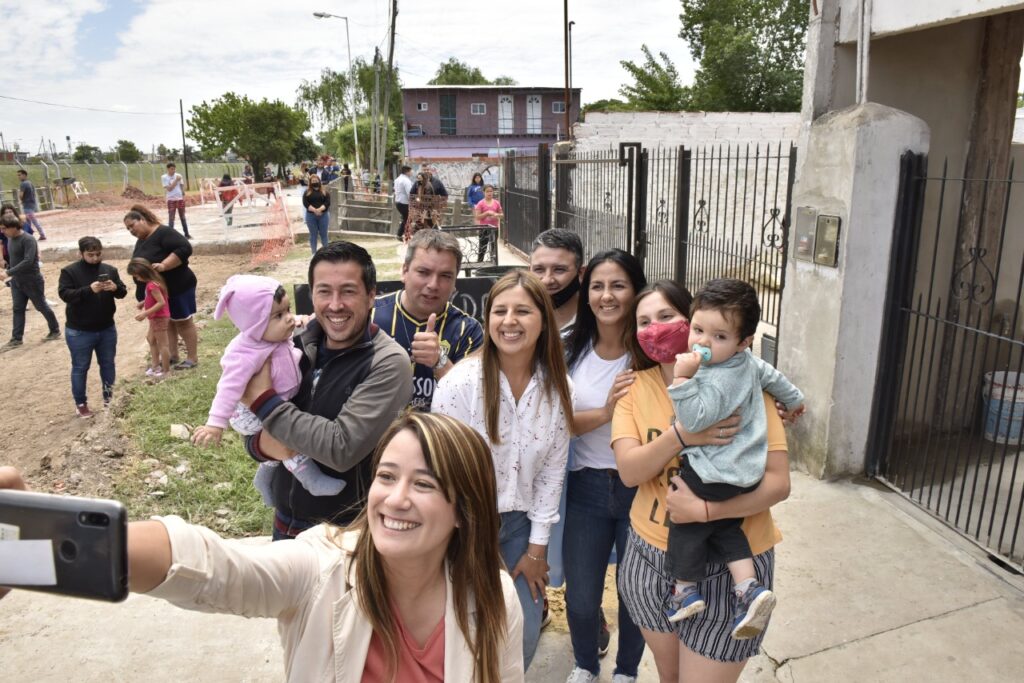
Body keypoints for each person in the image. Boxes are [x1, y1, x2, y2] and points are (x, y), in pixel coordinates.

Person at [0, 413, 526, 681]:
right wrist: (50, 543)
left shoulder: (494, 595)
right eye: (386, 476)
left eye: (426, 485)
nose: (397, 499)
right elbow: (213, 567)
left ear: (464, 511)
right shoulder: (321, 564)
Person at [612, 279, 792, 683]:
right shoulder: (633, 389)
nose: (655, 328)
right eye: (643, 321)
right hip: (650, 559)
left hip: (733, 567)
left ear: (687, 316)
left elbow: (778, 484)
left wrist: (707, 510)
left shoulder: (746, 387)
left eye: (665, 316)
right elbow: (629, 472)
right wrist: (683, 436)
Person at [432, 270, 574, 671]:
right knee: (462, 633)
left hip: (519, 528)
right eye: (500, 311)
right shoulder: (459, 385)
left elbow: (551, 474)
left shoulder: (560, 388)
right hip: (460, 526)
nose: (509, 321)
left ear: (543, 320)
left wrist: (537, 549)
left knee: (522, 631)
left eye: (523, 311)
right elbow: (440, 469)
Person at [663, 278, 804, 638]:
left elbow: (693, 421)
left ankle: (684, 590)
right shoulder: (749, 363)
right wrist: (795, 399)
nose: (703, 343)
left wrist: (681, 380)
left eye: (719, 336)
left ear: (743, 341)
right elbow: (774, 377)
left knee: (684, 521)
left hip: (713, 471)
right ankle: (748, 588)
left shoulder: (713, 379)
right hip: (744, 473)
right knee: (726, 527)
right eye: (698, 330)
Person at [243, 241, 412, 539]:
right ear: (312, 294)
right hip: (286, 519)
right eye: (324, 291)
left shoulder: (388, 362)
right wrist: (260, 446)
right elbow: (248, 423)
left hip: (346, 530)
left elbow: (340, 448)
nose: (335, 305)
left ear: (371, 295)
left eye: (348, 291)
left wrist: (265, 403)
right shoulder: (292, 343)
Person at [562, 249, 647, 683]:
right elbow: (556, 424)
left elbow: (722, 356)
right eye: (597, 286)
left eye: (618, 286)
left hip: (644, 489)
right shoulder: (568, 349)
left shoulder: (653, 348)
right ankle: (585, 664)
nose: (607, 296)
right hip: (586, 488)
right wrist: (608, 410)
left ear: (635, 291)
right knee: (580, 596)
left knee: (635, 593)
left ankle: (627, 671)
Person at [192, 274, 345, 505]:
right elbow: (227, 388)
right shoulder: (244, 354)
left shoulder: (271, 336)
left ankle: (264, 478)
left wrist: (306, 320)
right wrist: (215, 423)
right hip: (248, 412)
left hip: (274, 400)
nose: (288, 319)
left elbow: (294, 323)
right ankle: (310, 478)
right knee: (286, 434)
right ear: (255, 323)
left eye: (288, 310)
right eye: (278, 315)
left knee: (281, 430)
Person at [372, 229, 483, 411]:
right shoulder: (369, 316)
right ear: (405, 271)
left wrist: (440, 361)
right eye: (423, 272)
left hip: (439, 436)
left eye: (445, 276)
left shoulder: (468, 332)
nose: (433, 285)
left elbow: (472, 404)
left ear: (455, 280)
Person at [57, 236, 128, 418]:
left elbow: (122, 292)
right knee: (80, 368)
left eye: (98, 254)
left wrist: (114, 288)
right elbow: (65, 295)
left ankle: (109, 399)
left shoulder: (109, 270)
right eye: (90, 255)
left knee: (107, 364)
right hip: (79, 331)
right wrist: (89, 290)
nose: (95, 258)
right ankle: (81, 404)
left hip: (106, 328)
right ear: (80, 253)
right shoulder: (69, 271)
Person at [124, 204, 199, 370]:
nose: (130, 230)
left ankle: (192, 358)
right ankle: (172, 355)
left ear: (142, 220)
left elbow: (184, 248)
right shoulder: (141, 241)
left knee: (183, 322)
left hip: (179, 286)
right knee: (168, 323)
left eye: (132, 225)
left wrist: (164, 266)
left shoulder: (163, 232)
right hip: (161, 291)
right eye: (127, 228)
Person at [1, 215, 60, 351]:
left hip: (31, 280)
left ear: (14, 227)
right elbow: (15, 259)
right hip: (17, 281)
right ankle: (16, 338)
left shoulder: (28, 239)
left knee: (41, 306)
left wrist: (8, 273)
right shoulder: (10, 239)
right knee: (18, 309)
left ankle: (55, 329)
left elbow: (28, 261)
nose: (2, 231)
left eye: (4, 228)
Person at [530, 228, 585, 334]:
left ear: (581, 273)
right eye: (539, 270)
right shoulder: (515, 317)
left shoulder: (598, 323)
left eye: (559, 270)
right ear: (529, 270)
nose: (547, 280)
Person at [126, 258, 171, 378]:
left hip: (159, 317)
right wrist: (143, 302)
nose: (136, 278)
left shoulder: (152, 285)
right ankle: (155, 365)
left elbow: (161, 302)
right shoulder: (153, 282)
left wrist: (144, 313)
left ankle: (166, 371)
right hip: (155, 317)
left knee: (163, 344)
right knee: (150, 339)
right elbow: (154, 298)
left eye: (136, 275)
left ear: (142, 273)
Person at [473, 184, 503, 263]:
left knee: (493, 247)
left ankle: (494, 264)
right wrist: (487, 213)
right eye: (487, 191)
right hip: (484, 229)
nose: (489, 193)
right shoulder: (480, 203)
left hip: (494, 228)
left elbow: (502, 215)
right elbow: (477, 217)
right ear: (484, 192)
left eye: (491, 191)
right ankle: (479, 263)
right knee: (482, 248)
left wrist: (497, 215)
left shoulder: (496, 203)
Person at [160, 163, 191, 239]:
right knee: (171, 218)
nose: (173, 170)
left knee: (182, 217)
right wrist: (176, 180)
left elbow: (181, 186)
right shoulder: (164, 177)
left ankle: (186, 234)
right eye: (171, 169)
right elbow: (169, 188)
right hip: (171, 199)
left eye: (174, 169)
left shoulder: (178, 175)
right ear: (168, 169)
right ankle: (170, 236)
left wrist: (183, 196)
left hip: (179, 199)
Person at [302, 175, 331, 255]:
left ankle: (327, 254)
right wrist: (315, 210)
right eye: (313, 181)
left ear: (319, 181)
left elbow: (327, 202)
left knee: (324, 235)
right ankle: (314, 253)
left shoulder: (325, 192)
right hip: (311, 216)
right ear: (310, 182)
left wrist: (319, 210)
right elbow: (305, 203)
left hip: (324, 215)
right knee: (313, 235)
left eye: (316, 180)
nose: (315, 182)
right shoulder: (307, 192)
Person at [16, 169, 46, 240]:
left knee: (33, 221)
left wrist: (20, 200)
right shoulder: (29, 182)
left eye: (19, 175)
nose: (19, 177)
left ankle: (42, 234)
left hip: (27, 205)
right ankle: (28, 235)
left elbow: (21, 195)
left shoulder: (23, 184)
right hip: (31, 204)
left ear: (24, 175)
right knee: (28, 221)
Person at [393, 166, 413, 240]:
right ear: (407, 171)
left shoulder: (397, 179)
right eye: (411, 171)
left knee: (406, 219)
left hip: (398, 202)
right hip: (404, 203)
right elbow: (409, 193)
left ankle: (401, 234)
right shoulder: (406, 180)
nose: (412, 173)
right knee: (408, 219)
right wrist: (413, 203)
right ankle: (404, 235)